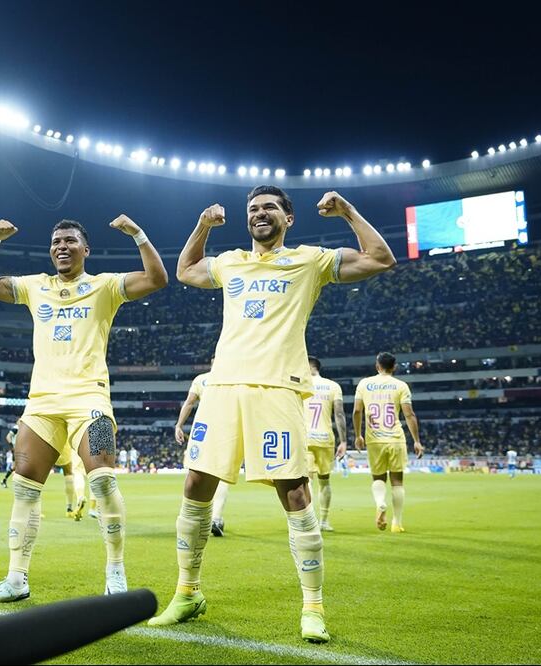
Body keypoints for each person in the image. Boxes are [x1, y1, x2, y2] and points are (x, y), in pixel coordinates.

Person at [150, 187, 396, 644]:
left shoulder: (310, 260)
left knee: (295, 493)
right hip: (222, 385)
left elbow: (380, 259)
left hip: (278, 387)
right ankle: (187, 593)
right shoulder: (230, 262)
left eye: (269, 208)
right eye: (253, 210)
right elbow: (185, 270)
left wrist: (348, 212)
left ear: (289, 218)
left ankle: (313, 607)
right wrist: (204, 226)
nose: (259, 214)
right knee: (195, 484)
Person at [0, 214, 168, 603]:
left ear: (85, 250)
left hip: (90, 400)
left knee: (103, 480)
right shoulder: (34, 287)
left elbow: (157, 278)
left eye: (70, 241)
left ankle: (115, 572)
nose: (61, 246)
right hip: (42, 402)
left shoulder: (104, 286)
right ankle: (16, 579)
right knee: (25, 487)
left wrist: (137, 234)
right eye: (56, 241)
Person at [352, 352, 423, 534]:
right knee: (397, 481)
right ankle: (396, 523)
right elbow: (409, 414)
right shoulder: (401, 386)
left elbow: (357, 411)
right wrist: (416, 441)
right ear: (394, 367)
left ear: (377, 366)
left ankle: (380, 503)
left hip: (374, 439)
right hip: (395, 438)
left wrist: (358, 435)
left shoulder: (364, 384)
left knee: (378, 478)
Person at [175, 363, 230, 537]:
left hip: (202, 430)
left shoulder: (201, 379)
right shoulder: (232, 378)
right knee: (223, 476)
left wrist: (179, 425)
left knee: (195, 472)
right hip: (226, 428)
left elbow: (190, 402)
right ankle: (215, 518)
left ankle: (190, 519)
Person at [304, 356, 347, 532]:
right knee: (324, 481)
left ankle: (309, 520)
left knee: (307, 482)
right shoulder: (333, 386)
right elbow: (339, 414)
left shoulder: (300, 385)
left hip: (305, 438)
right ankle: (324, 521)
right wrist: (343, 440)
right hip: (325, 439)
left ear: (309, 366)